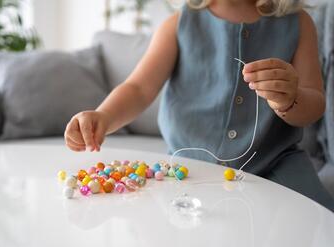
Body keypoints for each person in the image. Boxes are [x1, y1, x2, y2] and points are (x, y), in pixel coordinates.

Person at [64, 0, 334, 211]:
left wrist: (289, 99)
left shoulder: (299, 24)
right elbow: (138, 89)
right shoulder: (179, 24)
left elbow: (314, 105)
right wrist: (104, 115)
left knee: (317, 221)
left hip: (277, 164)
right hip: (190, 167)